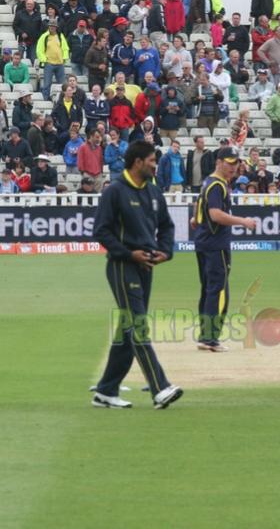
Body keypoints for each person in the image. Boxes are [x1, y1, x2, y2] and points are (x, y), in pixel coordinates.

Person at [91, 141, 183, 410]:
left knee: (127, 329)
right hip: (122, 266)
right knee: (138, 324)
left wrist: (165, 252)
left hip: (146, 267)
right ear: (137, 162)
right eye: (152, 160)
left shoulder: (154, 192)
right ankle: (160, 387)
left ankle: (106, 390)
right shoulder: (116, 191)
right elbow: (101, 231)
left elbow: (166, 226)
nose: (156, 164)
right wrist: (130, 254)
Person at [192, 147, 257, 352]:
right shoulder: (217, 185)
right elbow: (216, 214)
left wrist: (196, 218)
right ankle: (211, 338)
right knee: (219, 291)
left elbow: (199, 203)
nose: (233, 167)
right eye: (229, 163)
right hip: (216, 244)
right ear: (218, 162)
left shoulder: (209, 181)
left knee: (208, 290)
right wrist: (243, 221)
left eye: (236, 163)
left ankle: (205, 335)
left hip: (204, 243)